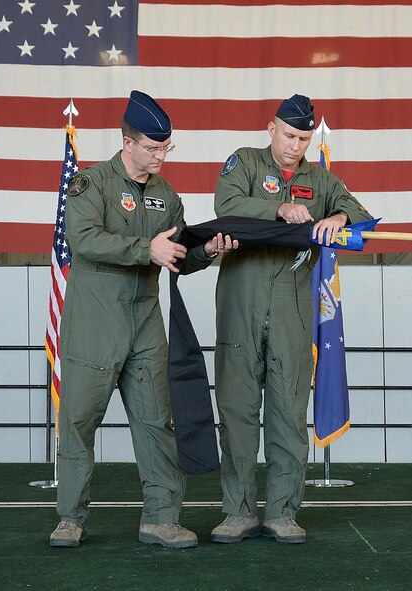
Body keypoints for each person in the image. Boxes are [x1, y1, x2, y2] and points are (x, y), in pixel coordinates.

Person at [50, 90, 238, 549]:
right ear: (127, 141)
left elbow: (176, 257)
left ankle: (161, 518)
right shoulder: (90, 186)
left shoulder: (167, 197)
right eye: (153, 148)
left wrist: (206, 252)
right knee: (78, 423)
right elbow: (84, 240)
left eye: (165, 148)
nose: (159, 156)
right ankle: (70, 519)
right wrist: (143, 249)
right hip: (95, 325)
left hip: (145, 327)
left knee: (157, 423)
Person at [210, 94, 373, 544]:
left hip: (293, 313)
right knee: (238, 412)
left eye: (303, 138)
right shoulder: (243, 163)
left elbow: (361, 216)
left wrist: (337, 216)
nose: (295, 145)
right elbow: (228, 205)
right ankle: (238, 512)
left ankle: (282, 512)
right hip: (241, 305)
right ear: (270, 129)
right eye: (288, 135)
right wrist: (279, 209)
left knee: (287, 413)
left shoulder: (320, 178)